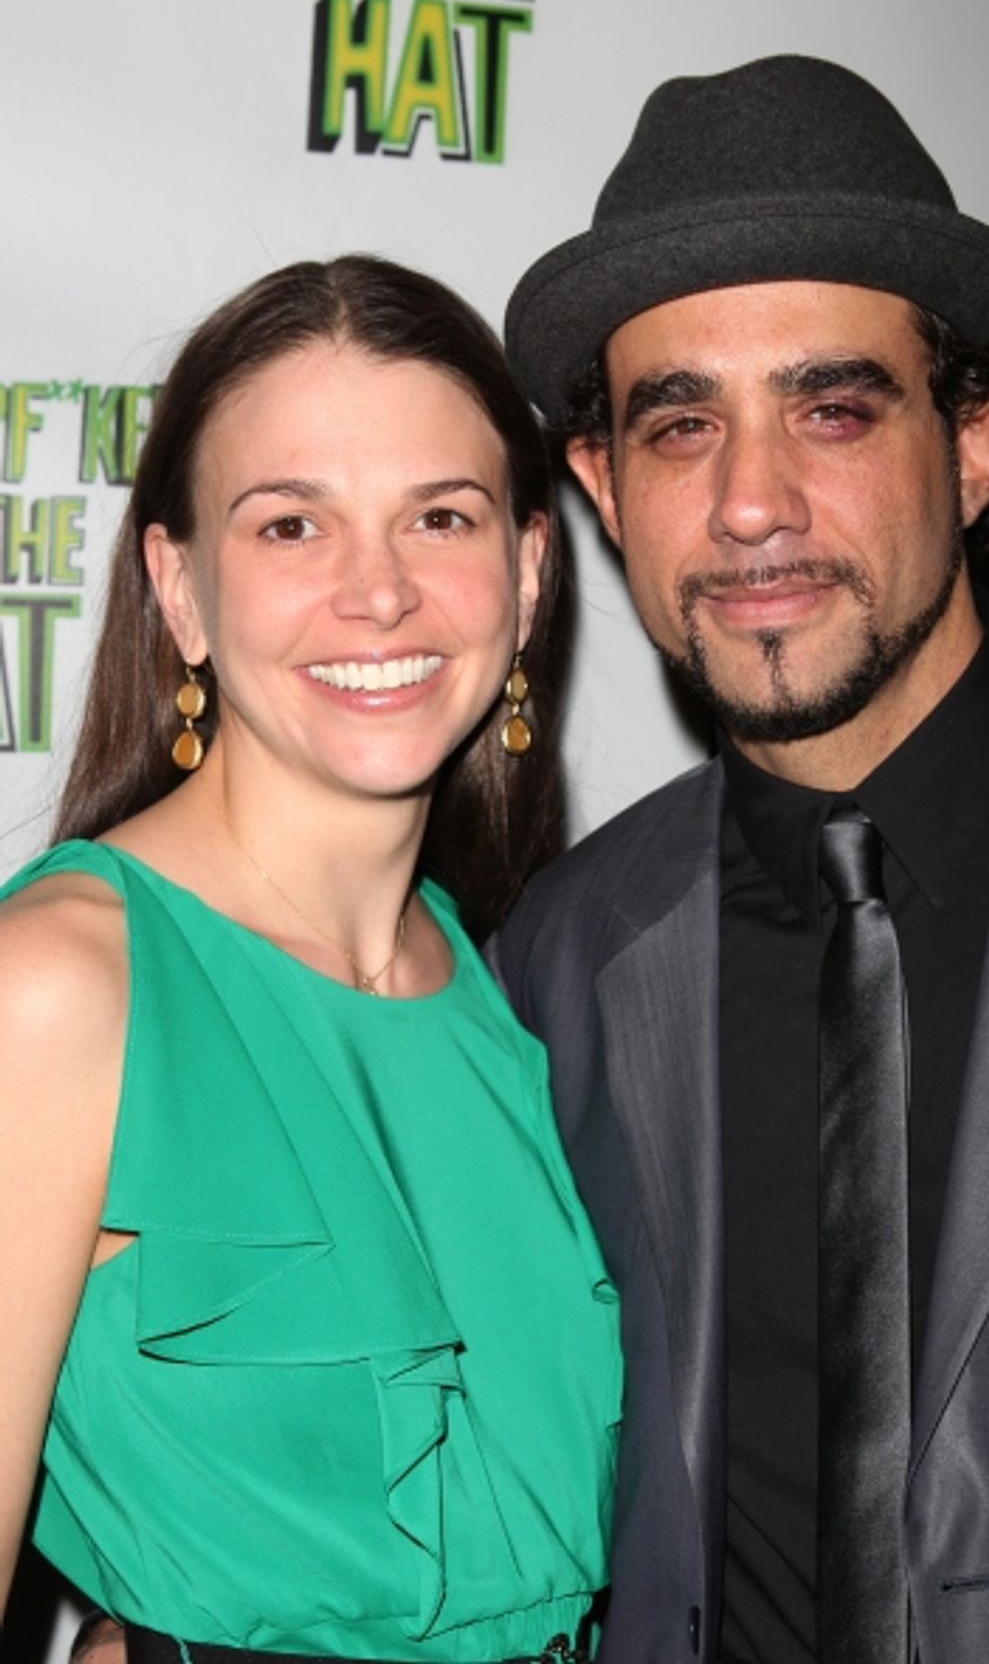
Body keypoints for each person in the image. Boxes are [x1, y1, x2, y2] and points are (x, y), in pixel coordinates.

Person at [494, 56, 989, 1664]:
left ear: (976, 439)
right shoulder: (556, 963)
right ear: (603, 487)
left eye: (831, 406)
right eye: (681, 424)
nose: (750, 503)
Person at [0, 255, 622, 1663]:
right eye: (291, 525)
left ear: (525, 574)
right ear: (182, 587)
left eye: (440, 517)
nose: (380, 593)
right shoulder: (56, 989)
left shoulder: (506, 996)